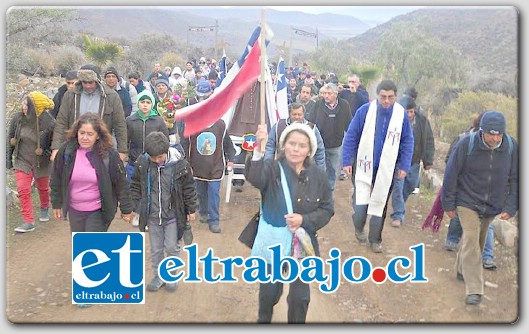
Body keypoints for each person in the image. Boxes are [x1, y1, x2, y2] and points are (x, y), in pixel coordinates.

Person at [245, 122, 334, 323]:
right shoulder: (272, 168)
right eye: (291, 143)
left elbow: (327, 210)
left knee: (299, 298)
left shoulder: (319, 176)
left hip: (302, 245)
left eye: (301, 145)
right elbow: (255, 177)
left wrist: (305, 219)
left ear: (309, 150)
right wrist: (259, 149)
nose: (295, 149)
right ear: (283, 145)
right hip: (274, 244)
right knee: (269, 293)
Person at [441, 110, 518, 305]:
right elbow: (451, 174)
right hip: (467, 200)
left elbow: (516, 179)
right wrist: (448, 203)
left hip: (492, 203)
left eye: (498, 133)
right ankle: (475, 289)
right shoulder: (467, 144)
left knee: (478, 241)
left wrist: (511, 205)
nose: (494, 138)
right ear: (481, 130)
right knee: (471, 238)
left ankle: (461, 268)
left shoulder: (511, 147)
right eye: (490, 133)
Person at [342, 80, 414, 253]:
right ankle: (358, 225)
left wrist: (404, 165)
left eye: (390, 97)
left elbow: (407, 141)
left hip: (387, 169)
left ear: (396, 97)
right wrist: (346, 160)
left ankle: (375, 239)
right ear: (377, 95)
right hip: (363, 164)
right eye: (383, 97)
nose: (386, 101)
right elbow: (351, 135)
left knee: (380, 203)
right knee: (361, 204)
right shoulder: (365, 111)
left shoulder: (400, 115)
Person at [129, 132, 197, 292]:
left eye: (160, 157)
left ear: (167, 151)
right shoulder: (142, 164)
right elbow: (135, 186)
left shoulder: (180, 164)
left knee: (172, 247)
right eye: (154, 158)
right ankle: (159, 276)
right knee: (156, 248)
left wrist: (191, 208)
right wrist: (132, 207)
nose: (158, 160)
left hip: (173, 215)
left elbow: (189, 187)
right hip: (152, 216)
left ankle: (171, 275)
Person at [50, 112, 133, 233]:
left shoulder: (109, 155)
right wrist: (56, 203)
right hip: (75, 210)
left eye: (90, 134)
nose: (85, 137)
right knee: (80, 248)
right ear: (76, 133)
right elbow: (56, 177)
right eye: (82, 133)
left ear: (98, 136)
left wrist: (126, 208)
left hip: (99, 211)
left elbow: (121, 183)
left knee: (91, 246)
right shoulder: (66, 151)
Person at [442, 112, 497, 270]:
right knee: (465, 223)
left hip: (486, 195)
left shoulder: (498, 147)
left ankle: (486, 256)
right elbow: (449, 163)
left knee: (487, 226)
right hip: (464, 191)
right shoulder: (463, 140)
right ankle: (453, 241)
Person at [50, 65, 128, 162]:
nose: (87, 86)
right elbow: (61, 122)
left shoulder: (111, 96)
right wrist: (56, 147)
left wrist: (122, 151)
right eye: (84, 82)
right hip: (74, 146)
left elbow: (120, 124)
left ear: (97, 81)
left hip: (102, 147)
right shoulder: (70, 95)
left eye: (90, 82)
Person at [7, 92, 56, 233]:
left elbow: (56, 142)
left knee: (43, 188)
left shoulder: (49, 122)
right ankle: (28, 221)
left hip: (41, 162)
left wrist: (49, 153)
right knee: (23, 189)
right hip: (22, 160)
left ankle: (45, 207)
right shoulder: (18, 119)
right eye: (23, 103)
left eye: (26, 104)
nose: (23, 107)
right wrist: (8, 159)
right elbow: (10, 137)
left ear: (36, 107)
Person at [183, 118, 235, 233]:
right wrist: (187, 163)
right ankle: (203, 211)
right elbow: (185, 145)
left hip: (215, 165)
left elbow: (228, 144)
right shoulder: (193, 124)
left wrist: (231, 158)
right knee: (201, 192)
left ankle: (214, 220)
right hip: (197, 165)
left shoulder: (221, 125)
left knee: (214, 192)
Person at [390, 96, 435, 227]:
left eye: (411, 111)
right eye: (406, 111)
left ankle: (399, 203)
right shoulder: (393, 120)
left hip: (414, 161)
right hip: (398, 160)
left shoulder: (422, 121)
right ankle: (398, 214)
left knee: (411, 184)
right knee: (398, 186)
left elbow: (428, 140)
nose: (409, 114)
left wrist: (428, 160)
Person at [306, 83, 351, 194]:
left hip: (336, 146)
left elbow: (349, 125)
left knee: (332, 172)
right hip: (319, 146)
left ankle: (329, 197)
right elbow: (310, 123)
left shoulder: (344, 105)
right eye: (325, 93)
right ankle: (317, 195)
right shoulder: (318, 105)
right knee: (318, 171)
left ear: (335, 94)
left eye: (329, 93)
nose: (326, 96)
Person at [264, 102, 326, 171]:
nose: (296, 117)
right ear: (289, 114)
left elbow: (319, 151)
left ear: (303, 115)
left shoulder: (312, 129)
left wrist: (321, 170)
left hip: (305, 169)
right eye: (294, 114)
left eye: (299, 114)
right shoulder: (279, 126)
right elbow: (270, 146)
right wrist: (268, 163)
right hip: (281, 168)